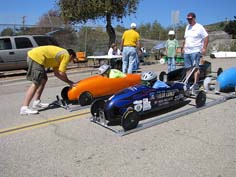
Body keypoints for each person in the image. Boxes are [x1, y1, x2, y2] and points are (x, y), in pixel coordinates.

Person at [20, 45, 77, 115]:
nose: (70, 61)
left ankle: (36, 102)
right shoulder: (66, 55)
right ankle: (24, 108)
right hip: (36, 57)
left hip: (36, 57)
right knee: (36, 83)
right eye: (71, 59)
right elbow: (62, 72)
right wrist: (69, 82)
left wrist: (68, 82)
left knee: (44, 79)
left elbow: (57, 74)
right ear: (71, 55)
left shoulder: (58, 58)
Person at [182, 12, 209, 91]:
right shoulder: (187, 27)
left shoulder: (199, 27)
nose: (189, 20)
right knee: (187, 68)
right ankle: (186, 84)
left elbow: (206, 37)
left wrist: (204, 48)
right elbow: (185, 38)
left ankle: (195, 84)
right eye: (188, 19)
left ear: (194, 18)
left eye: (190, 19)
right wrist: (183, 47)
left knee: (195, 68)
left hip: (196, 50)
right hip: (187, 51)